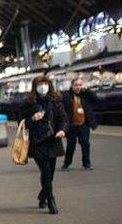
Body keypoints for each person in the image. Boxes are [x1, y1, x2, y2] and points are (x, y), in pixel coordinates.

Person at [23, 76, 67, 214]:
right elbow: (21, 122)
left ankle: (43, 196)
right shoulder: (29, 103)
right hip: (37, 142)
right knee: (46, 171)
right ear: (35, 87)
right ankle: (51, 200)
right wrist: (31, 119)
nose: (43, 87)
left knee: (50, 174)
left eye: (45, 84)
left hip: (53, 140)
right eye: (39, 84)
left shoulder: (56, 101)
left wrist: (62, 130)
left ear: (49, 86)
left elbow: (63, 118)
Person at [61, 77, 100, 170]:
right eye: (76, 85)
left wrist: (87, 91)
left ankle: (86, 163)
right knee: (71, 145)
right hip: (71, 125)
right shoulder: (66, 95)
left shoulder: (85, 94)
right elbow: (61, 108)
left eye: (80, 85)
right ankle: (66, 164)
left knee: (85, 143)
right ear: (72, 86)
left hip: (83, 124)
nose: (78, 87)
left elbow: (96, 100)